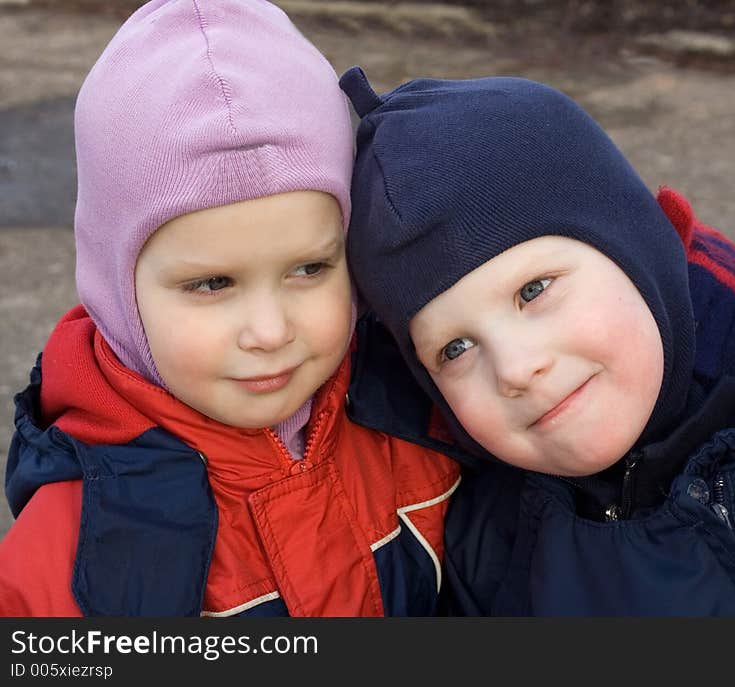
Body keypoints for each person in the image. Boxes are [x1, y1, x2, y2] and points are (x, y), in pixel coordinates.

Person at [338, 66, 735, 615]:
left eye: (534, 289)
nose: (516, 369)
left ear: (640, 249)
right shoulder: (489, 553)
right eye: (454, 349)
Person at [0, 1, 459, 617]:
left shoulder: (428, 415)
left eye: (309, 269)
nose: (270, 332)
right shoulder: (74, 553)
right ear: (117, 289)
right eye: (213, 284)